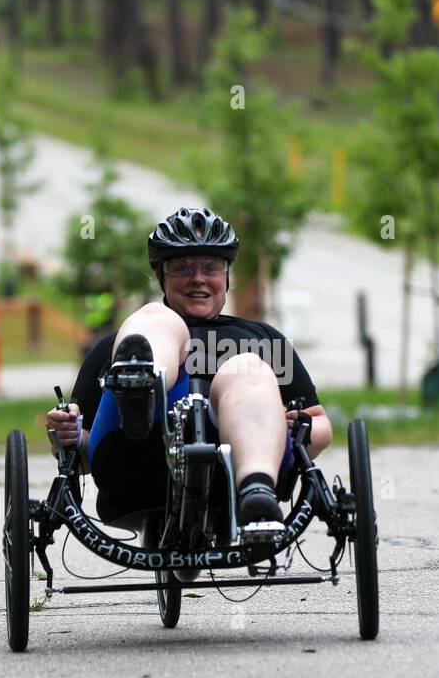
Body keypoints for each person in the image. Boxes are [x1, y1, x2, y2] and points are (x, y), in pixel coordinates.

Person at [44, 207, 332, 531]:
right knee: (155, 319)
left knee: (247, 366)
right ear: (160, 276)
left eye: (210, 267)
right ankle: (141, 385)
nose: (197, 278)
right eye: (182, 267)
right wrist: (64, 435)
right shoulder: (115, 345)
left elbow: (320, 422)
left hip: (237, 461)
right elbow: (80, 455)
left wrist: (297, 429)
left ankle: (256, 488)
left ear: (226, 275)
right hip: (135, 458)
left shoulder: (262, 339)